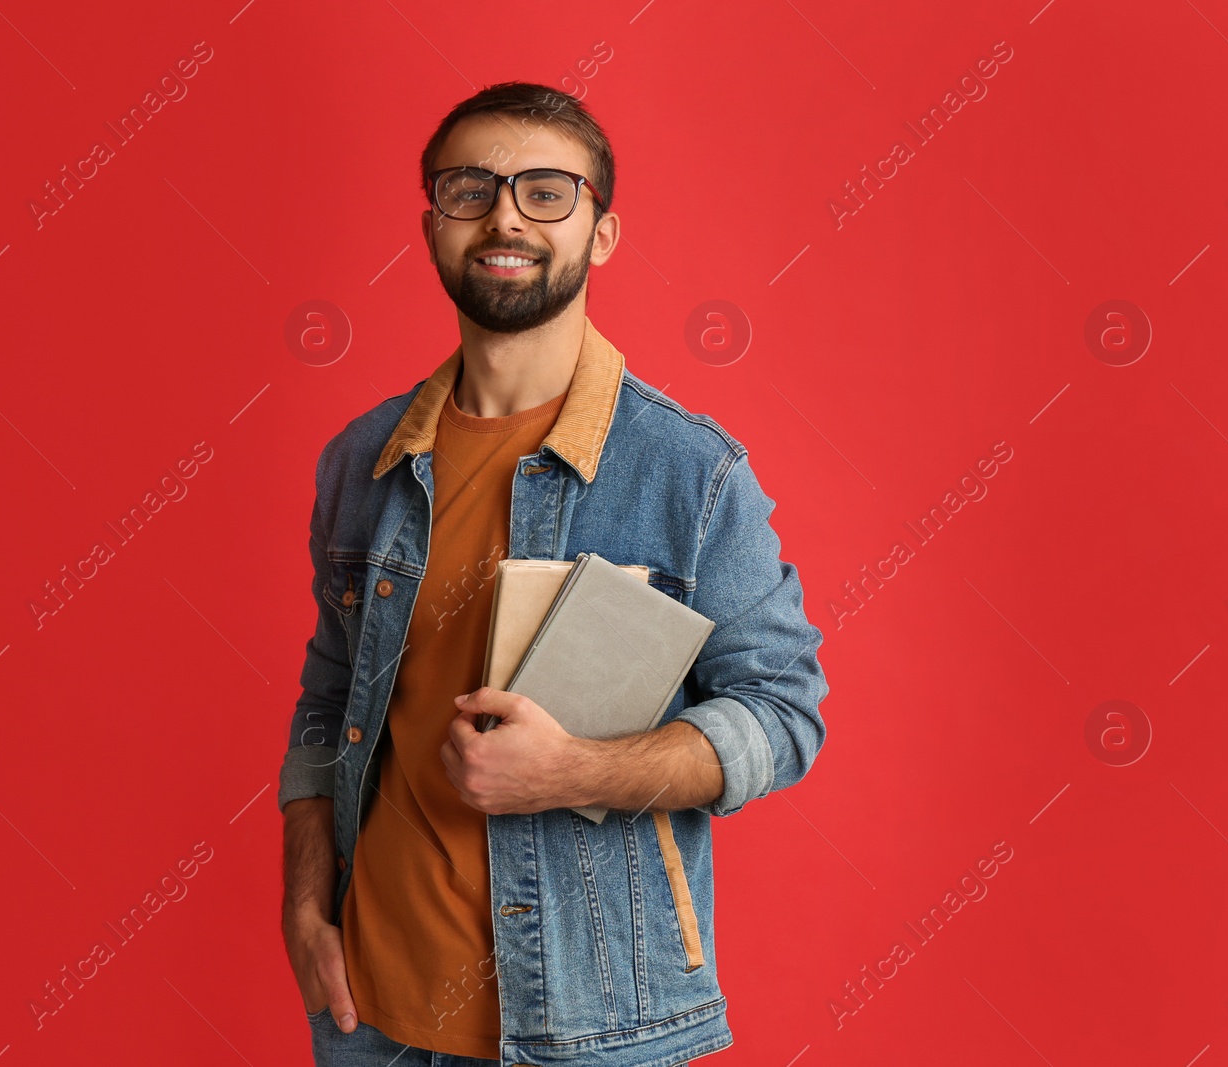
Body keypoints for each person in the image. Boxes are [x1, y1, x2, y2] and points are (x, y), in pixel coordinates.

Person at [279, 81, 829, 1067]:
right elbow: (328, 699)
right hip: (368, 1018)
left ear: (602, 233)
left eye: (544, 191)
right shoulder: (359, 461)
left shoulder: (687, 471)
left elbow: (784, 713)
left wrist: (575, 772)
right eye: (469, 187)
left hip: (586, 1027)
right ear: (431, 222)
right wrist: (305, 902)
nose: (502, 216)